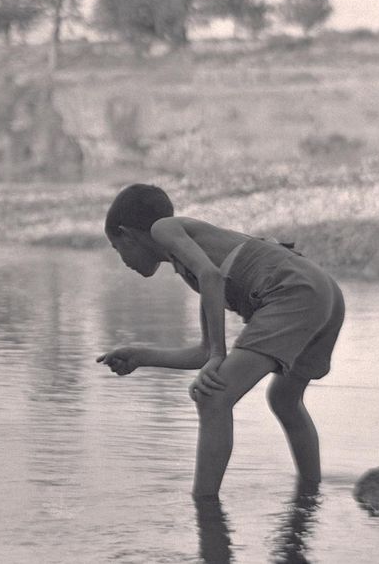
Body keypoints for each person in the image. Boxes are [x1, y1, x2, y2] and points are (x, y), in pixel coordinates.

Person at [96, 184, 344, 498]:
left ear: (126, 233)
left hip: (292, 290)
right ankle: (310, 495)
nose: (124, 261)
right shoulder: (192, 265)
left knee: (212, 396)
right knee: (284, 399)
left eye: (118, 250)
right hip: (323, 292)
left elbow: (212, 278)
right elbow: (204, 353)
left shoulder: (164, 229)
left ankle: (204, 504)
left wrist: (218, 354)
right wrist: (141, 356)